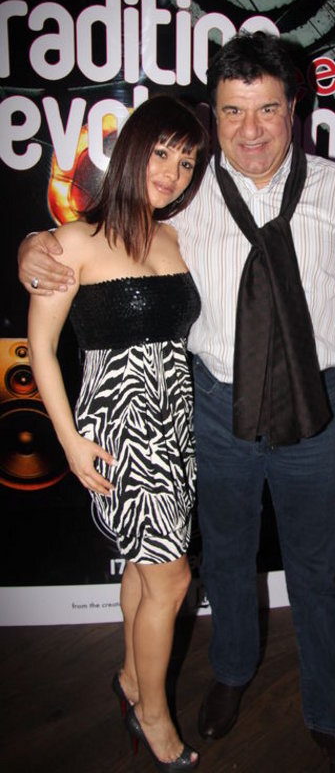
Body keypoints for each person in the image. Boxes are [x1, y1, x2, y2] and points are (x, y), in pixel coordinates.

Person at [20, 32, 335, 773]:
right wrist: (34, 244)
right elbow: (105, 235)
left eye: (267, 109)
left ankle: (330, 716)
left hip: (317, 408)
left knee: (316, 572)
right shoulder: (188, 195)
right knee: (222, 559)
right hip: (214, 407)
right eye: (232, 111)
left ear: (293, 109)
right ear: (216, 115)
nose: (250, 129)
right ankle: (230, 673)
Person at [25, 94, 208, 773]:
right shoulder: (73, 242)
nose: (172, 172)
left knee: (143, 565)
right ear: (131, 151)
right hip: (119, 434)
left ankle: (132, 677)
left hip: (175, 425)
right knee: (172, 580)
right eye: (161, 153)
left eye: (185, 162)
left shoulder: (175, 237)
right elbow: (41, 349)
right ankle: (152, 715)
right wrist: (70, 442)